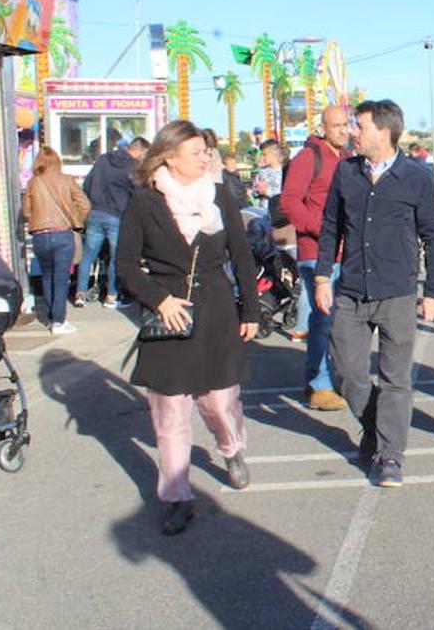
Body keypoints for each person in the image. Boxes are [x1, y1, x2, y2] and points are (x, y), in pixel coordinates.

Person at [114, 120, 261, 535]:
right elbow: (125, 265)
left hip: (215, 308)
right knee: (170, 410)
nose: (205, 158)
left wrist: (251, 311)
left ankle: (231, 449)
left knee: (219, 402)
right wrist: (158, 299)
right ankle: (177, 496)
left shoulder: (219, 194)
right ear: (170, 157)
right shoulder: (144, 201)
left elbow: (242, 255)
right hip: (168, 313)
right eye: (196, 152)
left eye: (206, 151)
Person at [314, 100, 434, 489]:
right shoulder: (347, 171)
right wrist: (322, 276)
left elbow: (433, 236)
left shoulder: (416, 176)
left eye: (360, 126)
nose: (352, 132)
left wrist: (433, 291)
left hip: (397, 293)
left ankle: (391, 454)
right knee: (345, 372)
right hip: (352, 290)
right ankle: (375, 425)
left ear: (384, 132)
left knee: (395, 379)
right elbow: (330, 226)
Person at [278, 104, 352, 411]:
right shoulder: (308, 157)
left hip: (345, 252)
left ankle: (327, 378)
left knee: (339, 319)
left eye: (346, 124)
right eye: (336, 125)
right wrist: (320, 228)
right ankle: (320, 385)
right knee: (323, 317)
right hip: (315, 253)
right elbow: (289, 202)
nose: (343, 130)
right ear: (323, 127)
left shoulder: (346, 157)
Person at [23, 146, 92, 334]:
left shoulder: (33, 183)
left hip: (40, 235)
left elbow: (26, 212)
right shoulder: (67, 180)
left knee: (47, 276)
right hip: (62, 233)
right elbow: (85, 205)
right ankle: (59, 321)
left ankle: (51, 317)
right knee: (61, 278)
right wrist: (75, 220)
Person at [75, 137, 148, 308]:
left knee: (88, 256)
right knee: (116, 258)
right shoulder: (133, 167)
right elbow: (138, 194)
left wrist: (93, 202)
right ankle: (111, 296)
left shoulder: (102, 159)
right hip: (117, 216)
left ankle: (80, 294)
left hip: (95, 213)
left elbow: (87, 184)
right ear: (139, 151)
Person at [252, 140, 285, 204]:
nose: (261, 157)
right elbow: (254, 192)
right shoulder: (262, 171)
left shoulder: (285, 171)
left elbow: (287, 194)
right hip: (263, 208)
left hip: (277, 208)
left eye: (264, 155)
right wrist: (258, 190)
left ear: (274, 154)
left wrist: (267, 192)